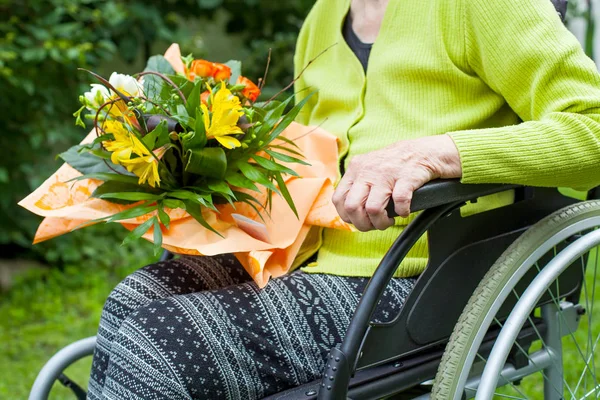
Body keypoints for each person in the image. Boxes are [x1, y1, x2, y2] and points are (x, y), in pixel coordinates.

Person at [88, 0, 600, 398]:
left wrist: (438, 153)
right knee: (131, 302)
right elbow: (313, 149)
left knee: (156, 344)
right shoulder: (325, 15)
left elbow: (591, 130)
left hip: (425, 276)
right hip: (305, 259)